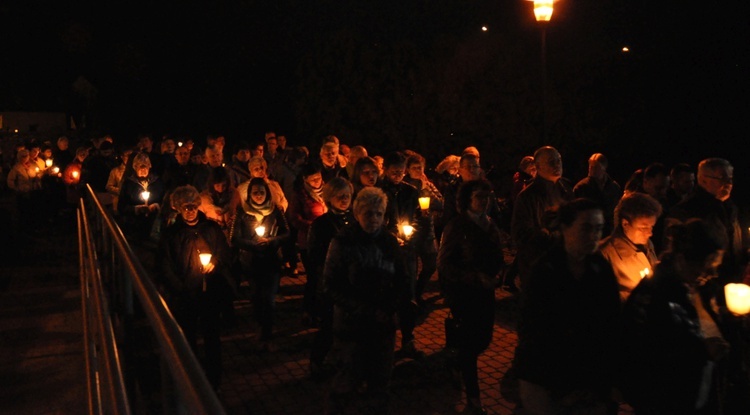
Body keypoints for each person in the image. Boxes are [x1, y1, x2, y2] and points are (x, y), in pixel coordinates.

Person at [513, 198, 621, 415]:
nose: (594, 236)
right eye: (586, 228)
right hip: (549, 380)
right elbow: (532, 331)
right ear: (565, 228)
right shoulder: (545, 271)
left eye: (599, 229)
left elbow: (612, 322)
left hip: (591, 378)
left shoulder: (601, 269)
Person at [620, 218, 729, 414]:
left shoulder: (697, 287)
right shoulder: (655, 295)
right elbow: (646, 355)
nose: (712, 273)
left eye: (715, 265)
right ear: (682, 259)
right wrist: (702, 352)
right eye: (707, 264)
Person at [323, 186, 410, 414]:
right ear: (357, 214)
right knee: (347, 382)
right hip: (352, 327)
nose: (374, 219)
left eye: (379, 214)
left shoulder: (389, 243)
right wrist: (365, 310)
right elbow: (331, 285)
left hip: (383, 326)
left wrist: (392, 308)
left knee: (380, 382)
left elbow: (402, 280)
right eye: (368, 213)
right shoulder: (343, 243)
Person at [438, 179, 505, 414]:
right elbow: (445, 264)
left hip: (486, 293)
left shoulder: (490, 225)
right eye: (479, 197)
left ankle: (454, 361)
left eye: (487, 197)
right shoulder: (457, 226)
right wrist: (473, 277)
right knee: (469, 345)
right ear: (467, 198)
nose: (484, 202)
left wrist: (498, 274)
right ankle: (474, 400)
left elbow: (499, 254)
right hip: (465, 294)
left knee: (483, 339)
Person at [158, 185, 233, 391]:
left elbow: (224, 254)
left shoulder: (211, 229)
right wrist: (180, 288)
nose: (190, 211)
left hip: (210, 292)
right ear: (178, 209)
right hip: (185, 294)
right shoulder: (172, 234)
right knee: (187, 338)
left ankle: (213, 379)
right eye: (185, 207)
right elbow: (165, 265)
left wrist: (214, 263)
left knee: (211, 336)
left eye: (192, 206)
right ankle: (190, 379)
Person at [231, 177, 290, 351]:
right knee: (256, 297)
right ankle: (260, 325)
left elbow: (286, 233)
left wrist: (271, 241)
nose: (258, 196)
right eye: (255, 192)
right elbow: (233, 238)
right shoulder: (242, 211)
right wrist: (252, 244)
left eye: (262, 192)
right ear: (249, 194)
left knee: (269, 299)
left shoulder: (275, 210)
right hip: (251, 262)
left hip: (271, 261)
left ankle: (268, 332)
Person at [667, 158, 746, 285]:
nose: (729, 183)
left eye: (730, 179)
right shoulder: (686, 209)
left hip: (733, 280)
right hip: (706, 282)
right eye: (722, 178)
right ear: (703, 180)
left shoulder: (730, 206)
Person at [307, 177, 355, 379]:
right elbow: (314, 256)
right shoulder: (321, 224)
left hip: (352, 281)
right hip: (331, 281)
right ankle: (316, 361)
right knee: (328, 324)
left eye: (347, 196)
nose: (344, 200)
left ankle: (345, 361)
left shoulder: (355, 219)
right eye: (340, 196)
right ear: (329, 198)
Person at [378, 151, 424, 358]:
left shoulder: (411, 191)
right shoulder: (378, 191)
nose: (398, 174)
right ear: (386, 170)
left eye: (401, 171)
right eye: (394, 171)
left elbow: (418, 217)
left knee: (409, 295)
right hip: (385, 251)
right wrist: (389, 236)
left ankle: (408, 338)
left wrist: (411, 231)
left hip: (407, 250)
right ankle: (384, 342)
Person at [510, 146, 573, 290]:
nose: (556, 164)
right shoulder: (527, 197)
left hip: (563, 265)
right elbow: (520, 234)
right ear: (538, 166)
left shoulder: (566, 190)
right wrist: (550, 236)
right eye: (551, 161)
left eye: (558, 160)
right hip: (538, 268)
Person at [598, 192, 662, 302]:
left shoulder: (648, 244)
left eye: (651, 227)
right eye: (643, 228)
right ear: (625, 224)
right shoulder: (605, 253)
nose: (649, 233)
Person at [287, 162, 328, 323]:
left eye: (319, 178)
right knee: (313, 277)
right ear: (305, 179)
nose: (317, 181)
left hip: (327, 239)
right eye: (313, 179)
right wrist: (311, 226)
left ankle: (322, 309)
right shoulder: (299, 195)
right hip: (308, 241)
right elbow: (294, 217)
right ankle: (309, 309)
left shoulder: (328, 191)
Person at [403, 151, 443, 306]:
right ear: (407, 169)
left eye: (421, 168)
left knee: (432, 264)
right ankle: (412, 300)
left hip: (428, 231)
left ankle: (419, 290)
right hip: (411, 231)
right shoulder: (404, 186)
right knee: (411, 270)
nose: (419, 171)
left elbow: (440, 203)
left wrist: (427, 189)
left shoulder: (427, 184)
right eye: (415, 168)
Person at [117, 152, 165, 245]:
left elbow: (165, 201)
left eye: (145, 166)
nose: (143, 169)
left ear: (149, 166)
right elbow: (121, 207)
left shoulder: (157, 182)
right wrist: (136, 209)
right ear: (135, 168)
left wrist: (157, 206)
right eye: (140, 166)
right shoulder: (128, 184)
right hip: (134, 227)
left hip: (154, 224)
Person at [573, 153, 622, 236]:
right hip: (589, 231)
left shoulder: (614, 187)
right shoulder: (581, 187)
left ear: (603, 168)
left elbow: (619, 208)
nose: (591, 169)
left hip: (609, 231)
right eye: (590, 166)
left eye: (595, 167)